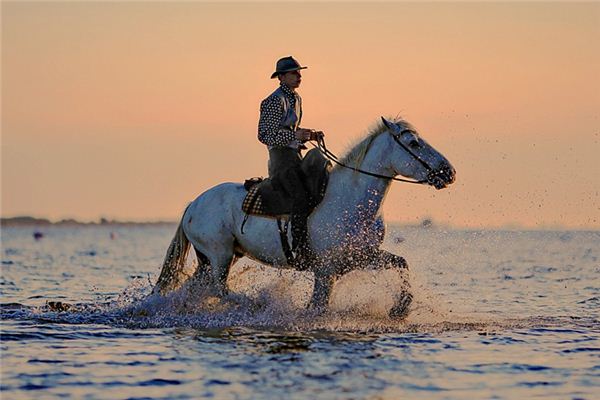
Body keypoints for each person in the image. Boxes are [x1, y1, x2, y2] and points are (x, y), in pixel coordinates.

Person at [257, 56, 324, 267]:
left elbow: (291, 131)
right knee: (301, 197)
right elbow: (265, 135)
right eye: (294, 73)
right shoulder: (273, 101)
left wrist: (309, 135)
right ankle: (301, 250)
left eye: (299, 72)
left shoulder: (297, 98)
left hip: (295, 157)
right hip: (281, 162)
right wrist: (295, 136)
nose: (299, 76)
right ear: (282, 77)